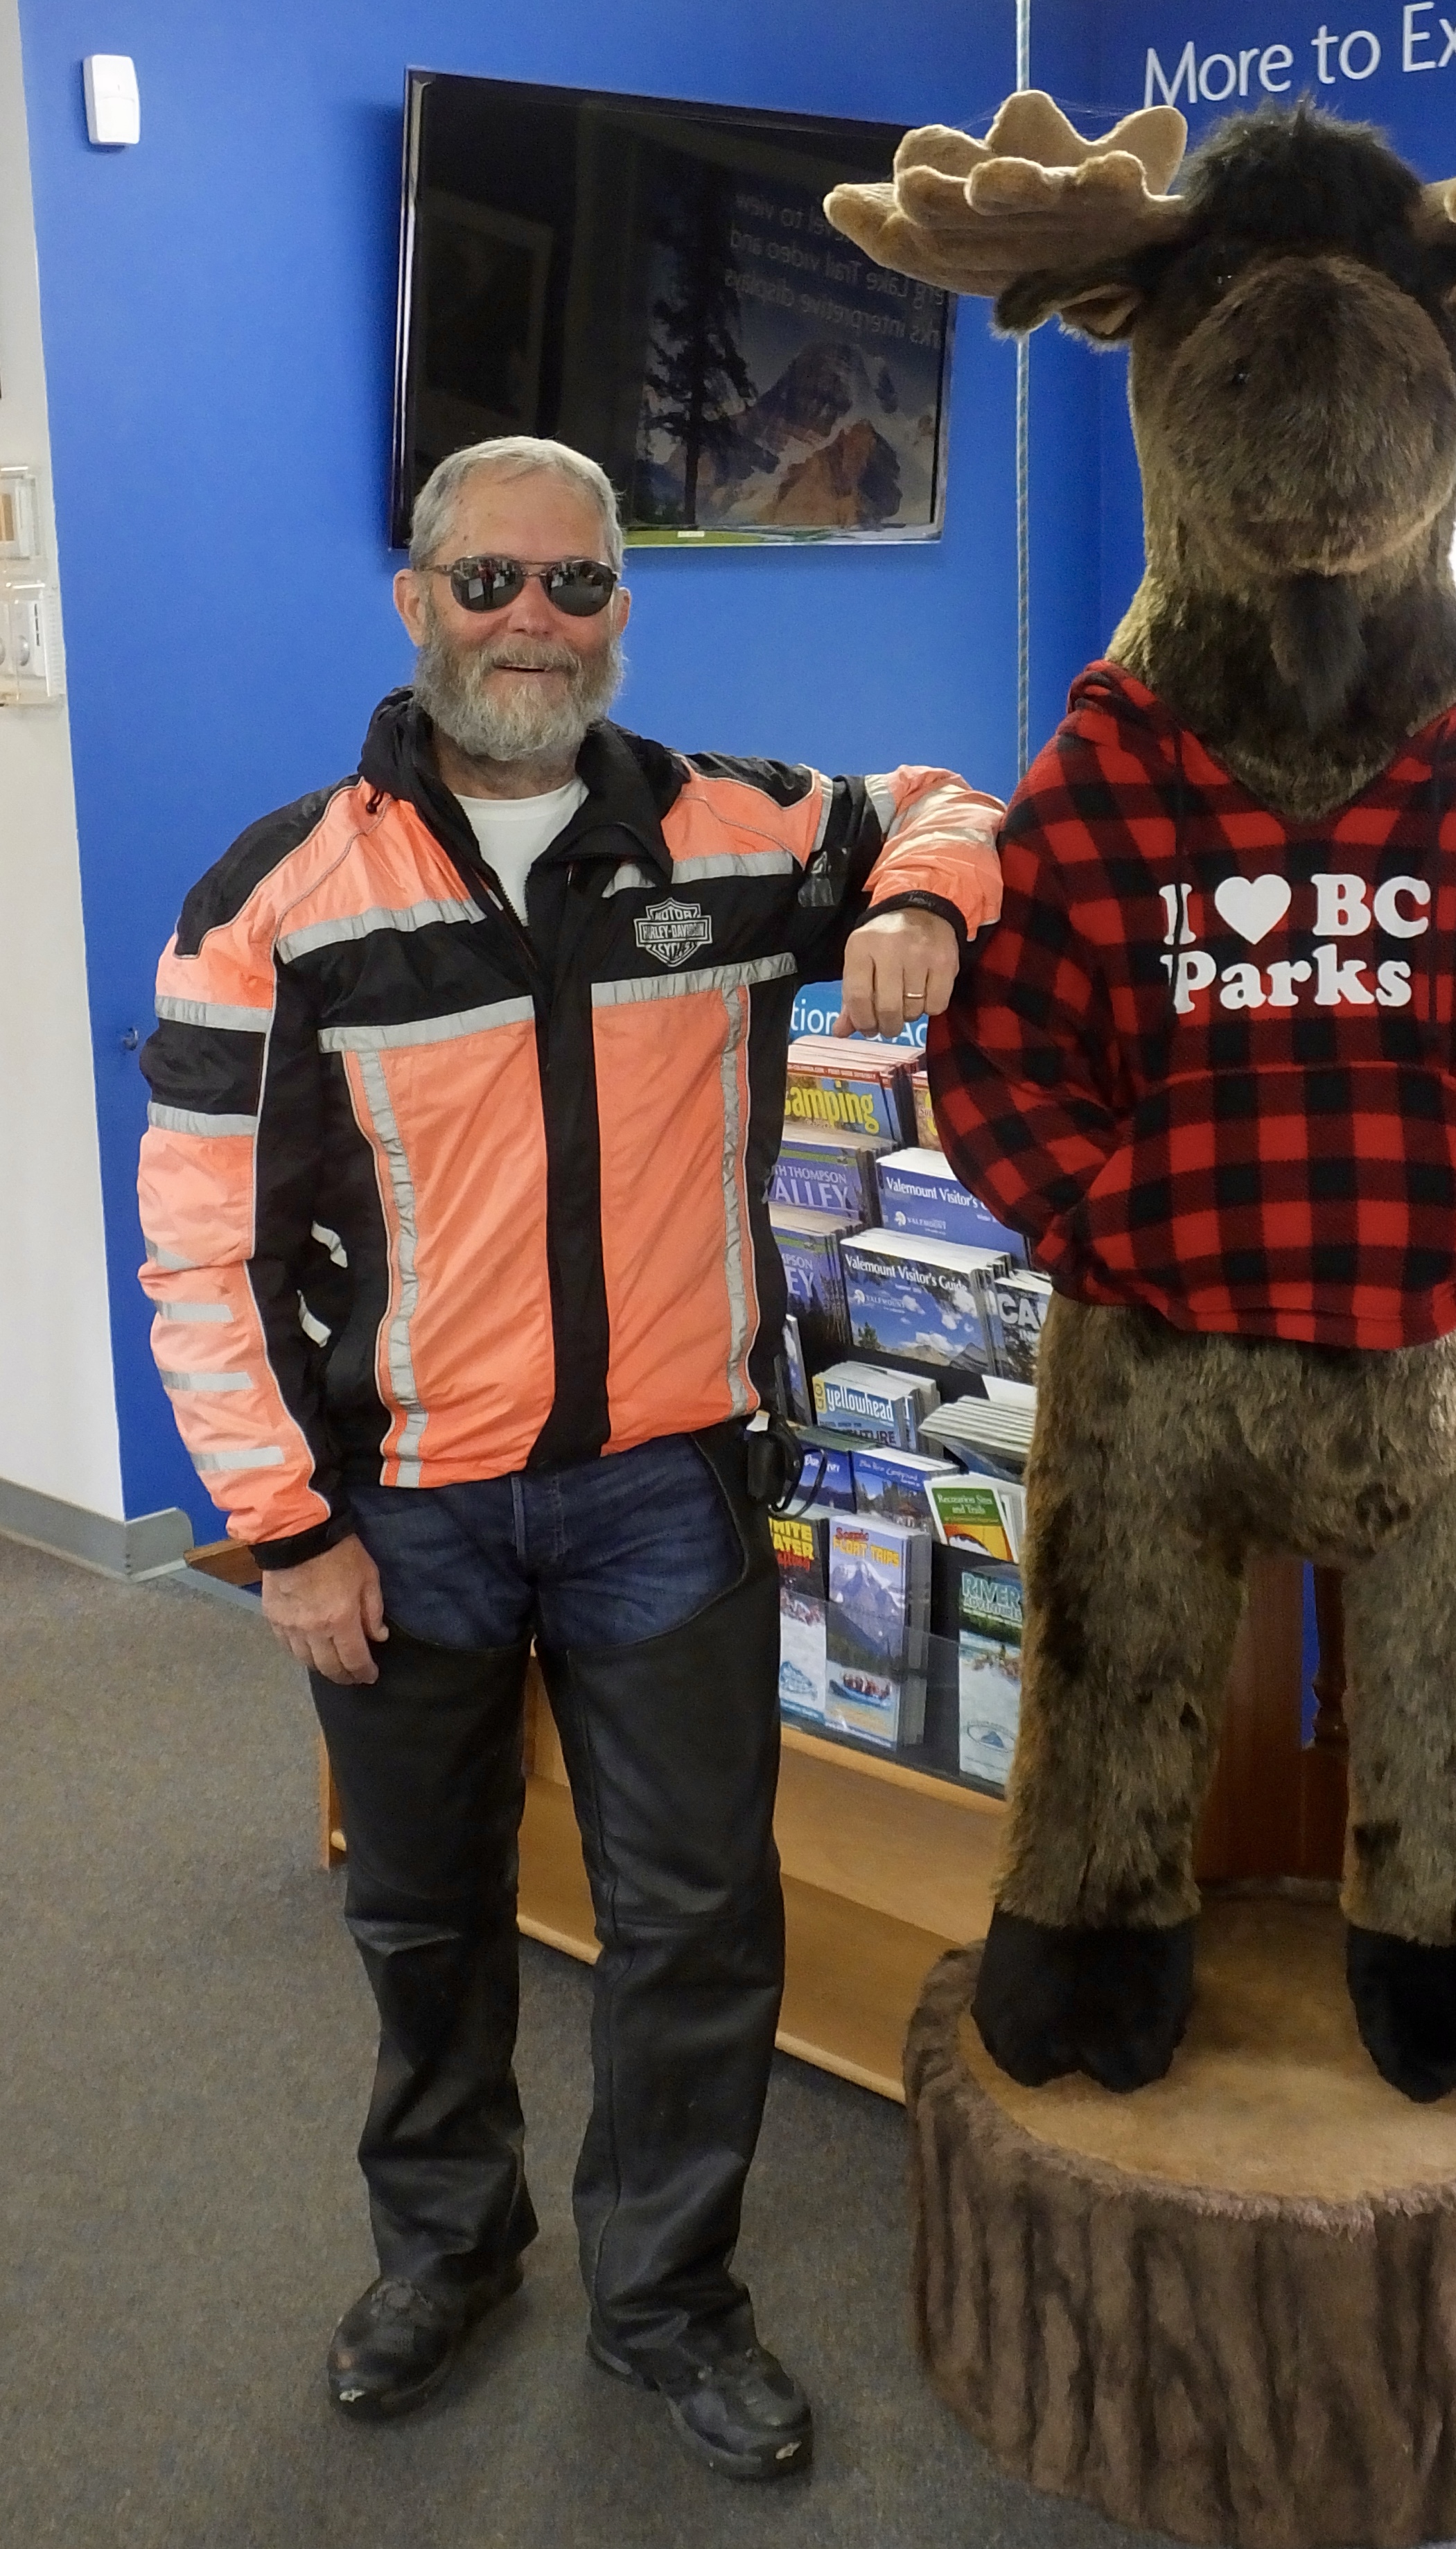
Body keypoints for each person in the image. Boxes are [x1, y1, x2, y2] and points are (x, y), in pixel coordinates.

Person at [137, 435, 1002, 2478]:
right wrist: (284, 1533)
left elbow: (955, 802)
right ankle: (447, 2253)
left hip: (662, 1490)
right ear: (416, 602)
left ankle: (667, 2298)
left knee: (696, 1922)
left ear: (623, 607)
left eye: (578, 584)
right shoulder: (278, 899)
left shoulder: (735, 833)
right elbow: (197, 1247)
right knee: (425, 1916)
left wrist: (920, 903)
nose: (533, 621)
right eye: (490, 581)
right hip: (402, 1512)